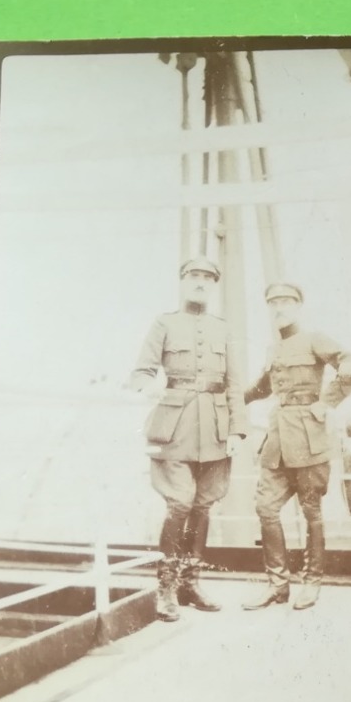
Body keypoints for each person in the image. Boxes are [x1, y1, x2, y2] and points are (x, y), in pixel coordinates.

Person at [130, 257, 247, 622]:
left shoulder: (222, 329)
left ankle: (190, 583)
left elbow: (234, 383)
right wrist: (140, 388)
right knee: (179, 503)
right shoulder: (164, 323)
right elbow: (144, 368)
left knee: (203, 505)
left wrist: (237, 430)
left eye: (207, 278)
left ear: (213, 286)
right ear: (182, 282)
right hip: (174, 426)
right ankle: (165, 587)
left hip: (214, 428)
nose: (200, 283)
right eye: (194, 277)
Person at [242, 281, 351, 612]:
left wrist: (327, 403)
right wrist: (232, 398)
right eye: (273, 303)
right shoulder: (273, 349)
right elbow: (262, 388)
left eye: (285, 301)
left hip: (310, 438)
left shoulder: (315, 338)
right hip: (278, 439)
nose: (279, 308)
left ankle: (312, 583)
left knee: (311, 511)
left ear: (298, 306)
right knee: (266, 508)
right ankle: (278, 585)